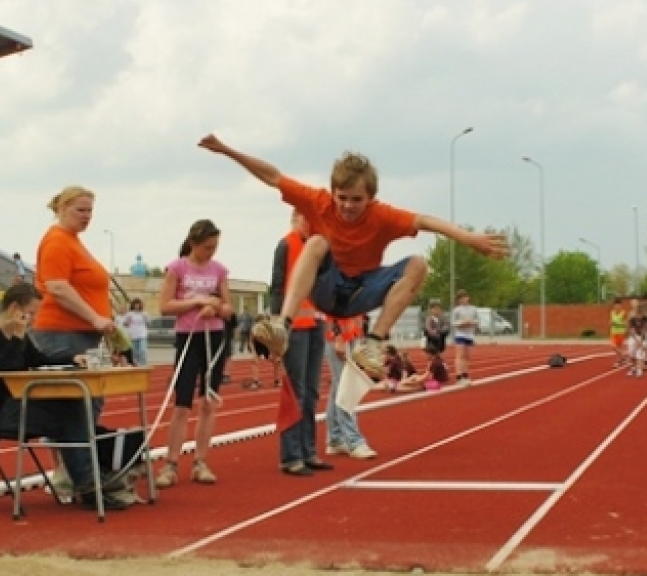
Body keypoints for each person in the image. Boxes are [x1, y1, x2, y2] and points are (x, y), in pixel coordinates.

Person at [198, 134, 507, 381]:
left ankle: (372, 345)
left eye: (357, 200)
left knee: (418, 265)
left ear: (371, 198)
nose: (347, 206)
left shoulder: (382, 216)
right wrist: (227, 150)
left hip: (362, 291)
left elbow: (425, 221)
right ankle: (282, 325)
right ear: (333, 193)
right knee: (317, 241)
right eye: (342, 198)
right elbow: (273, 176)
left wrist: (470, 239)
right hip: (327, 288)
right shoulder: (319, 203)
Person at [0, 283, 128, 510]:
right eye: (31, 313)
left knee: (72, 404)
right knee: (70, 413)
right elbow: (6, 372)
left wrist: (73, 359)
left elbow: (39, 359)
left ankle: (87, 482)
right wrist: (17, 336)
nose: (34, 320)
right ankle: (88, 484)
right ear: (15, 309)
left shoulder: (20, 338)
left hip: (16, 405)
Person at [31, 186, 117, 491]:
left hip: (85, 334)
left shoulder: (74, 243)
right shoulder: (56, 241)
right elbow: (57, 286)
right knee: (71, 405)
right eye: (81, 210)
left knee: (89, 403)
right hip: (62, 333)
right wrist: (93, 316)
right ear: (63, 208)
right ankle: (69, 473)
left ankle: (79, 469)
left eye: (90, 211)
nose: (87, 217)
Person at [155, 219, 232, 487]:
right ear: (193, 244)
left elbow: (228, 308)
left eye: (215, 247)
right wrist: (197, 301)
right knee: (182, 404)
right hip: (188, 338)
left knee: (209, 402)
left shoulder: (220, 270)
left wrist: (218, 308)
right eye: (207, 247)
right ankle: (171, 464)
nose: (211, 252)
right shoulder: (177, 268)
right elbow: (164, 306)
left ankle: (201, 461)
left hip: (214, 338)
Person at [271, 208, 330, 476]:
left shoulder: (321, 247)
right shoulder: (286, 245)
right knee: (296, 391)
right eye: (308, 217)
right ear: (296, 217)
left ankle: (308, 450)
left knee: (312, 391)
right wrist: (277, 326)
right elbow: (277, 286)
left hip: (317, 323)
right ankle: (291, 455)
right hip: (294, 326)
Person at [323, 316, 377, 459]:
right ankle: (354, 441)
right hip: (339, 334)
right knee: (345, 386)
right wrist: (339, 336)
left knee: (338, 387)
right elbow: (333, 304)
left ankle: (335, 438)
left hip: (351, 333)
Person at [450, 289, 477, 386]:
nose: (464, 299)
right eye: (461, 298)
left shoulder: (473, 309)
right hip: (460, 334)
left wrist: (472, 322)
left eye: (465, 297)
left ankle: (465, 375)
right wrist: (462, 323)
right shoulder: (456, 310)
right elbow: (453, 322)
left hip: (470, 334)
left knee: (467, 356)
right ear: (458, 300)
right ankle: (459, 376)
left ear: (468, 298)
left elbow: (477, 320)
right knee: (460, 355)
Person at [121, 298, 150, 366]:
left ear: (140, 305)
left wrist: (146, 318)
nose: (137, 306)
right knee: (135, 352)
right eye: (135, 304)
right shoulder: (129, 314)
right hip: (133, 335)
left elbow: (148, 324)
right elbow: (125, 324)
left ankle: (143, 364)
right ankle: (136, 364)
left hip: (142, 334)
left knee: (142, 350)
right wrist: (128, 321)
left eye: (138, 304)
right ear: (133, 305)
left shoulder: (144, 313)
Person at [626, 297, 647, 377]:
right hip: (633, 337)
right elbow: (630, 328)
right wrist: (636, 339)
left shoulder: (644, 317)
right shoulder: (631, 316)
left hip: (641, 337)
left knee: (640, 353)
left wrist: (641, 340)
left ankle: (639, 370)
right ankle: (633, 368)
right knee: (631, 354)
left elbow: (644, 329)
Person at [423, 299, 449, 364]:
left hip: (441, 341)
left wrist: (439, 331)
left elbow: (446, 327)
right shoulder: (429, 319)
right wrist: (436, 333)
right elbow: (429, 329)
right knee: (432, 357)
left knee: (439, 355)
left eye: (438, 309)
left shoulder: (443, 319)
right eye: (434, 309)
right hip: (431, 341)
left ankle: (440, 366)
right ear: (431, 310)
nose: (436, 311)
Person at [609, 298, 629, 367]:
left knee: (619, 348)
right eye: (615, 305)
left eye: (618, 305)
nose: (617, 307)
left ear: (621, 306)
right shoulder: (612, 312)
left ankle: (619, 361)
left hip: (621, 332)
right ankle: (624, 357)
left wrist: (617, 324)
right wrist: (610, 323)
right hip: (613, 332)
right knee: (613, 347)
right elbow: (611, 322)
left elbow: (626, 324)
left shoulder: (623, 313)